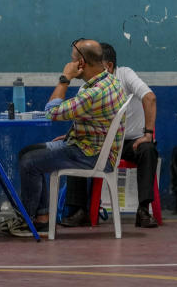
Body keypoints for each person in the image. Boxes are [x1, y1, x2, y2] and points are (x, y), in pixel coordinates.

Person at [4, 39, 126, 237]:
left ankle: (27, 220)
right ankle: (41, 217)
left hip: (90, 155)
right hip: (94, 147)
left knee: (29, 161)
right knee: (29, 152)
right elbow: (95, 120)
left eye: (72, 60)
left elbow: (51, 112)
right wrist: (71, 134)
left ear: (81, 64)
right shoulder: (111, 81)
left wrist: (65, 78)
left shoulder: (93, 93)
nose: (69, 64)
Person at [60, 42, 159, 228]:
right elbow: (80, 120)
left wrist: (148, 134)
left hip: (132, 143)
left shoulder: (125, 75)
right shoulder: (87, 87)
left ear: (109, 66)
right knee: (76, 147)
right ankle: (79, 211)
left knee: (148, 149)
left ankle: (144, 210)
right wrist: (69, 136)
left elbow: (150, 97)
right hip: (104, 145)